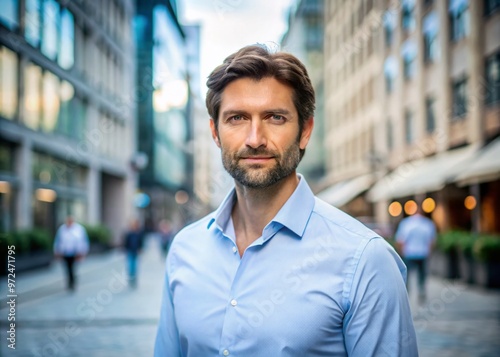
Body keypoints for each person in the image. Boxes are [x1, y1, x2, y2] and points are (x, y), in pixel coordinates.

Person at [154, 45, 418, 356]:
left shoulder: (365, 260)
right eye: (237, 118)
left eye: (275, 117)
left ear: (305, 131)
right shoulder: (185, 248)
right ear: (215, 132)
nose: (255, 139)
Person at [396, 205, 437, 304]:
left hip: (409, 253)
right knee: (422, 275)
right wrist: (429, 252)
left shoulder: (406, 223)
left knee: (407, 275)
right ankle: (421, 291)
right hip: (423, 253)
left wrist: (401, 252)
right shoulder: (428, 223)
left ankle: (406, 293)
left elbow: (400, 240)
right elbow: (431, 241)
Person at [53, 215, 89, 291]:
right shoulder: (62, 229)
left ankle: (72, 282)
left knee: (73, 268)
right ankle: (69, 282)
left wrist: (83, 252)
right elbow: (58, 241)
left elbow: (84, 241)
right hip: (65, 252)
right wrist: (57, 251)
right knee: (67, 268)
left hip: (75, 253)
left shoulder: (79, 229)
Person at [123, 219, 144, 288]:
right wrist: (126, 250)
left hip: (136, 252)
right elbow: (126, 243)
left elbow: (141, 242)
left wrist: (140, 249)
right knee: (130, 266)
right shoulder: (129, 234)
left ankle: (134, 278)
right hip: (130, 251)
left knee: (135, 266)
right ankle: (131, 278)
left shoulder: (139, 234)